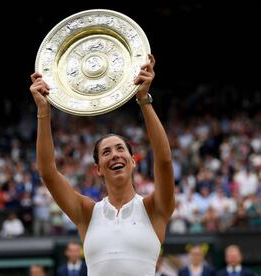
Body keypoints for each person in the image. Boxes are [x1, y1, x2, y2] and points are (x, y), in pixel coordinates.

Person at [30, 53, 175, 276]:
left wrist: (144, 100)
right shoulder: (87, 213)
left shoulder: (154, 209)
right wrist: (43, 110)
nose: (115, 155)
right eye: (106, 152)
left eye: (120, 149)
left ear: (133, 161)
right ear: (98, 169)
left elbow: (164, 160)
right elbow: (48, 172)